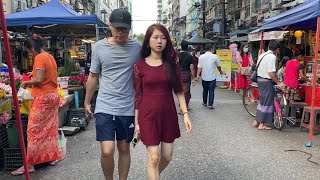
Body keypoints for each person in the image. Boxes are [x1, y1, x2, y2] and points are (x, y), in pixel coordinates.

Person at [84, 9, 142, 180]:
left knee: (124, 148)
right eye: (117, 28)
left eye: (124, 29)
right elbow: (93, 75)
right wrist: (87, 102)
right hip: (105, 105)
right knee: (107, 150)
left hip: (127, 107)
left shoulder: (137, 47)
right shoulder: (99, 47)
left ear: (130, 28)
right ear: (109, 26)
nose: (121, 32)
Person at [133, 24, 192, 180]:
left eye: (163, 38)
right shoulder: (139, 66)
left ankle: (153, 174)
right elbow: (138, 95)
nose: (160, 41)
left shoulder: (172, 64)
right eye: (156, 37)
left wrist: (185, 113)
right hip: (147, 116)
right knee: (153, 157)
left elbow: (179, 89)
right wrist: (136, 122)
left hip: (168, 115)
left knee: (167, 156)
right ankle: (153, 174)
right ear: (148, 41)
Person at [12, 34, 60, 175]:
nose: (31, 54)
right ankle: (51, 158)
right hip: (53, 95)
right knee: (50, 128)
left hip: (43, 98)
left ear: (33, 47)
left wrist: (27, 82)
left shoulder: (39, 58)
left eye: (30, 51)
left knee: (33, 130)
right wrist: (33, 75)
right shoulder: (50, 56)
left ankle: (30, 164)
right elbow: (46, 76)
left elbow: (39, 80)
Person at [253, 40, 285, 130]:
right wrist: (279, 83)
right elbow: (271, 73)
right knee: (267, 102)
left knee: (262, 101)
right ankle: (262, 124)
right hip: (266, 81)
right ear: (277, 49)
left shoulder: (262, 55)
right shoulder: (272, 57)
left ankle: (257, 121)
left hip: (260, 80)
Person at [196, 44, 224, 109]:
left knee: (205, 90)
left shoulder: (201, 57)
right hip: (212, 77)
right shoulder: (215, 56)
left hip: (204, 77)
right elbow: (218, 66)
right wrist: (220, 72)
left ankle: (204, 102)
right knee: (211, 90)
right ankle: (210, 104)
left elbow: (199, 67)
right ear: (211, 49)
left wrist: (197, 76)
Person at [177, 40, 195, 113]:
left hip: (178, 74)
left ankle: (184, 105)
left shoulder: (177, 55)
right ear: (187, 47)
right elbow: (192, 67)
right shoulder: (189, 56)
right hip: (186, 74)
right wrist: (193, 77)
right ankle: (183, 107)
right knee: (186, 90)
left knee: (180, 90)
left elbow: (175, 65)